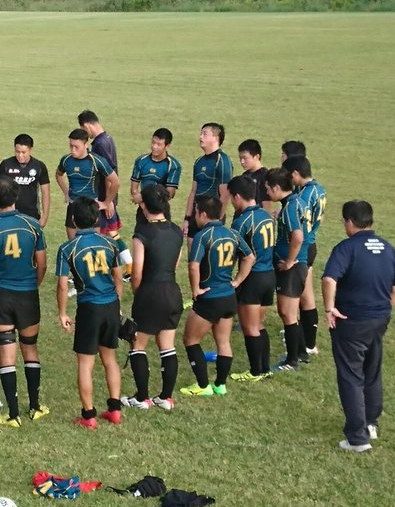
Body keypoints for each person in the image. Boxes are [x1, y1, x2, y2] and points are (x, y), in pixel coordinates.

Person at [322, 200, 395, 452]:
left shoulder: (347, 248)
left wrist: (329, 308)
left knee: (351, 375)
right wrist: (383, 308)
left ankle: (358, 438)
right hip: (379, 319)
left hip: (352, 320)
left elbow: (329, 279)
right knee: (372, 371)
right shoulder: (389, 249)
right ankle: (371, 423)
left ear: (349, 222)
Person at [0, 177, 49, 428]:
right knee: (30, 348)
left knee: (6, 353)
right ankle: (35, 407)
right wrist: (33, 285)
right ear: (15, 196)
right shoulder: (33, 225)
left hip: (1, 297)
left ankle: (13, 414)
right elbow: (42, 263)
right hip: (27, 295)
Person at [55, 197, 124, 429]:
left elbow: (63, 284)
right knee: (110, 359)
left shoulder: (67, 248)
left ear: (73, 220)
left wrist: (62, 312)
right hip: (111, 305)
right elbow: (118, 278)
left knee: (85, 363)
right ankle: (115, 410)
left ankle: (89, 415)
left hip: (89, 308)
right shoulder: (110, 243)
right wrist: (118, 304)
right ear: (97, 218)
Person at [182, 195, 254, 397]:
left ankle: (203, 386)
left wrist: (195, 289)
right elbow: (249, 257)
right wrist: (238, 281)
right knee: (223, 342)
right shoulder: (232, 233)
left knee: (190, 340)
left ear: (203, 213)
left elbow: (194, 265)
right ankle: (220, 385)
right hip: (229, 297)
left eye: (196, 212)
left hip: (210, 297)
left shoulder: (202, 236)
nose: (195, 215)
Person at [123, 184, 183, 411]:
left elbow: (136, 271)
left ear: (145, 205)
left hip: (151, 292)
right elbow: (175, 264)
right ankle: (166, 398)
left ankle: (142, 398)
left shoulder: (142, 233)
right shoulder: (177, 231)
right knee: (167, 345)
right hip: (172, 291)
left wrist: (138, 291)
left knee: (138, 344)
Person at [228, 176, 277, 380]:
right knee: (259, 324)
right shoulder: (267, 216)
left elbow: (235, 253)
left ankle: (255, 371)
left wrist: (236, 279)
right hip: (269, 275)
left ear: (238, 196)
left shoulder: (242, 222)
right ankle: (265, 368)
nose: (231, 201)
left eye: (232, 197)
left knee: (249, 327)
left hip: (252, 278)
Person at [266, 168, 309, 372]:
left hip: (293, 267)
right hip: (297, 264)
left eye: (268, 188)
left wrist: (290, 261)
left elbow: (298, 237)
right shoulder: (293, 202)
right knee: (291, 312)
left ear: (276, 187)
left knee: (287, 313)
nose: (267, 193)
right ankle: (300, 352)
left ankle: (292, 361)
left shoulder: (291, 206)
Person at [286, 156, 327, 357]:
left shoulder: (304, 196)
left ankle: (307, 345)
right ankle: (309, 344)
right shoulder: (319, 189)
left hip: (304, 246)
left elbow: (300, 226)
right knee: (306, 296)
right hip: (311, 243)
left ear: (295, 174)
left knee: (304, 298)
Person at [55, 128, 120, 241]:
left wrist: (107, 202)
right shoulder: (66, 160)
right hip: (73, 207)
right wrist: (66, 192)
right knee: (73, 246)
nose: (73, 150)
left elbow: (115, 182)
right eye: (71, 146)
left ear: (86, 144)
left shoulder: (97, 161)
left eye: (76, 147)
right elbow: (58, 175)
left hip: (91, 209)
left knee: (94, 245)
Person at [183, 123, 233, 241]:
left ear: (216, 138)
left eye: (205, 134)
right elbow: (193, 191)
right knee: (193, 256)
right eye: (201, 133)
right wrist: (187, 218)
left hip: (212, 218)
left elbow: (225, 195)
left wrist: (218, 220)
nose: (200, 137)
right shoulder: (199, 162)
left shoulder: (222, 161)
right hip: (196, 215)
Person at [78, 110, 121, 235]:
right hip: (108, 198)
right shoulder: (108, 139)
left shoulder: (99, 144)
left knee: (108, 237)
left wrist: (108, 201)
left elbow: (108, 174)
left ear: (86, 126)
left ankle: (124, 255)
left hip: (104, 200)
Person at [129, 128, 181, 231]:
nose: (154, 147)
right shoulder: (141, 161)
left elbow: (169, 194)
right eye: (153, 143)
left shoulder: (173, 166)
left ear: (167, 146)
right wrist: (144, 207)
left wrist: (143, 197)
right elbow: (134, 189)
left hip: (161, 211)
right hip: (142, 209)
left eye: (159, 144)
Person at [0, 134, 50, 226]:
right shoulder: (6, 165)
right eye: (17, 151)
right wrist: (1, 214)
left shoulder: (39, 166)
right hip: (9, 214)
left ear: (30, 150)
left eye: (23, 152)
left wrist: (45, 217)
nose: (20, 155)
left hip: (32, 215)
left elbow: (45, 192)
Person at [236, 139, 271, 214]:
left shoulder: (265, 176)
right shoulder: (244, 175)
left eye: (245, 158)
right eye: (240, 158)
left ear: (257, 157)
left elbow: (267, 205)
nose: (242, 162)